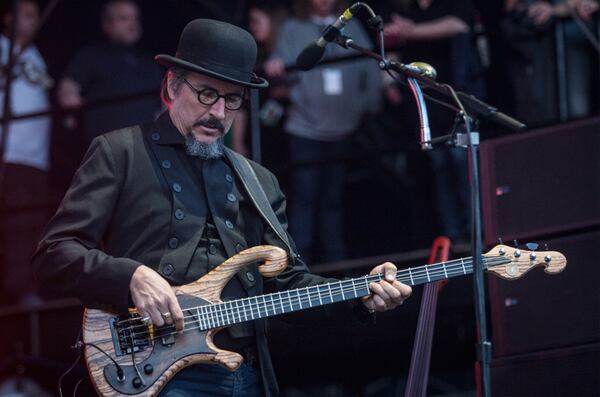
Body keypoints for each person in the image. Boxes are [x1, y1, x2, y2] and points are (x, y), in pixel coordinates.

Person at [33, 18, 412, 397]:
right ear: (171, 86)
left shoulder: (258, 180)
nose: (218, 113)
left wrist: (360, 297)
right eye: (207, 94)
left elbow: (290, 285)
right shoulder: (121, 152)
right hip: (158, 373)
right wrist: (131, 277)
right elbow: (54, 255)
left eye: (233, 100)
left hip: (246, 374)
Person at [264, 0, 383, 264]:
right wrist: (275, 66)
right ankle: (298, 266)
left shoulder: (353, 28)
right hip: (305, 129)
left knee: (334, 201)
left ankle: (337, 263)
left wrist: (366, 104)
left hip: (343, 128)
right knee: (304, 198)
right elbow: (280, 64)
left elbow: (371, 67)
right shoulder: (294, 28)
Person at [0, 0, 51, 305]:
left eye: (35, 16)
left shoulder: (34, 54)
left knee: (36, 224)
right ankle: (18, 292)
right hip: (11, 153)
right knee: (16, 225)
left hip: (37, 156)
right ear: (9, 18)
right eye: (27, 15)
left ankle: (31, 290)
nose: (33, 22)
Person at [56, 0, 161, 148]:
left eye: (135, 18)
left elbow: (159, 109)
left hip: (144, 151)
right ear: (107, 25)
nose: (132, 24)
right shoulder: (92, 55)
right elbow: (69, 86)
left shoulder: (151, 63)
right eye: (124, 18)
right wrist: (69, 98)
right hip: (105, 148)